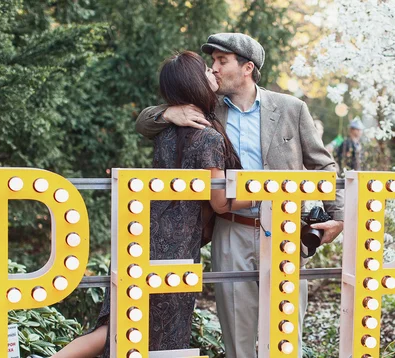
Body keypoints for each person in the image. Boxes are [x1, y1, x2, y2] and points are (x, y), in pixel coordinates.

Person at [135, 33, 344, 358]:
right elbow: (143, 123)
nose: (214, 69)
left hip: (285, 231)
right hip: (230, 229)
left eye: (222, 61)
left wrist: (338, 216)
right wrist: (166, 114)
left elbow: (323, 166)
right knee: (237, 339)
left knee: (287, 338)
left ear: (247, 68)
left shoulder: (292, 107)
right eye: (213, 62)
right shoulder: (205, 109)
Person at [52, 51, 251, 358]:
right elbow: (221, 203)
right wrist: (266, 191)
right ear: (196, 82)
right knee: (155, 339)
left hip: (140, 233)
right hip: (174, 247)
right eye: (207, 70)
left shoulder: (166, 131)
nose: (215, 73)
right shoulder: (207, 138)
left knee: (118, 327)